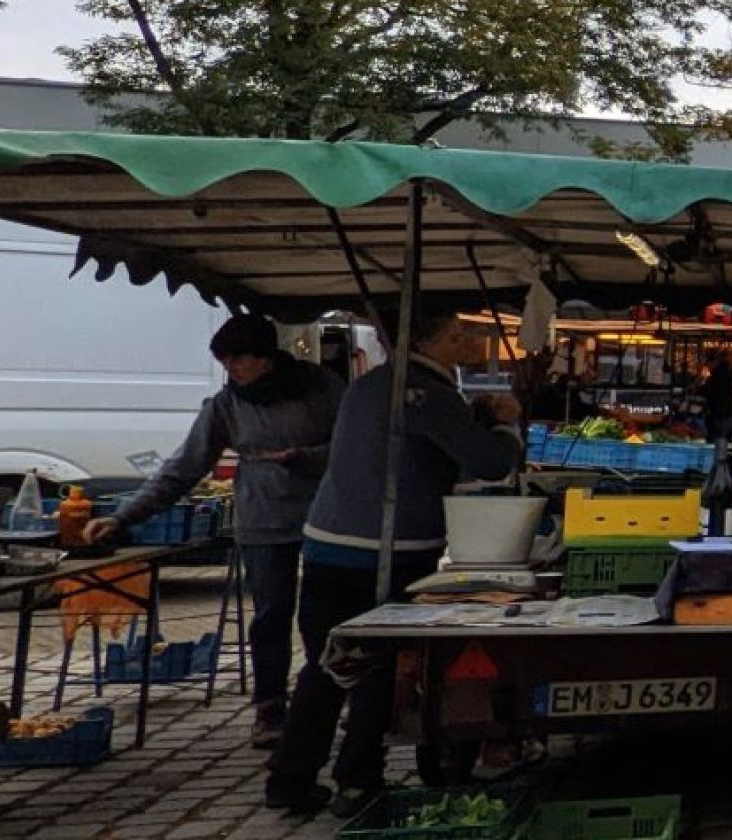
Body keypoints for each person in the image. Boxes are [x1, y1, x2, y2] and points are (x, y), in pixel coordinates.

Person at [269, 305, 527, 815]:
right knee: (377, 672)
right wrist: (508, 426)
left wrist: (472, 418)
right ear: (428, 341)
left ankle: (291, 780)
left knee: (327, 667)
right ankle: (358, 780)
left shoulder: (370, 386)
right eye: (456, 334)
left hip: (327, 548)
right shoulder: (425, 391)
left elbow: (415, 445)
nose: (464, 343)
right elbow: (491, 463)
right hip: (385, 556)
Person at [86, 314, 341, 747]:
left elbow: (355, 443)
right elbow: (183, 469)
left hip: (329, 517)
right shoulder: (225, 406)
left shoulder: (322, 388)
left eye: (239, 361)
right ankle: (270, 710)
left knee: (327, 618)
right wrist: (124, 516)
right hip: (263, 521)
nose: (232, 370)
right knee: (270, 617)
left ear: (265, 357)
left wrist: (304, 457)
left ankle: (329, 702)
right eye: (226, 363)